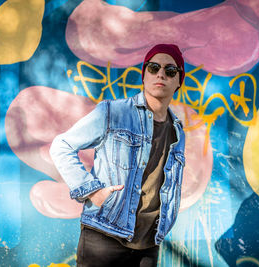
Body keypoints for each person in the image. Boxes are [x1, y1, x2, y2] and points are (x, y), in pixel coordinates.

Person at [50, 44, 186, 267]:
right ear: (144, 75)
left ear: (179, 80)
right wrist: (92, 191)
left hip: (148, 244)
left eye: (170, 70)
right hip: (104, 236)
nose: (161, 74)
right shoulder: (113, 112)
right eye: (154, 68)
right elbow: (61, 146)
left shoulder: (178, 132)